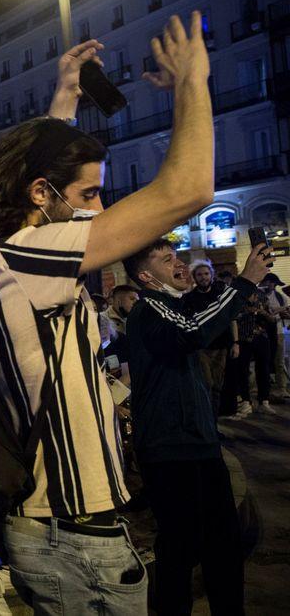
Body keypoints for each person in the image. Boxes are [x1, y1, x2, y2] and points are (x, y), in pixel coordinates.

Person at [0, 17, 216, 613]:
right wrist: (192, 83)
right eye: (91, 196)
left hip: (49, 528)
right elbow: (188, 190)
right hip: (74, 533)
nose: (99, 212)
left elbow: (50, 189)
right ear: (41, 195)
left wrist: (65, 99)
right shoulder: (30, 256)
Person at [121, 239, 270, 614]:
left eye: (179, 257)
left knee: (222, 544)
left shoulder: (174, 305)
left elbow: (205, 323)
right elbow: (192, 331)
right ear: (145, 276)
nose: (181, 264)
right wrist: (245, 282)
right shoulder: (150, 309)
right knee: (179, 548)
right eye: (167, 259)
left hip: (198, 444)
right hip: (171, 449)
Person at [184, 259, 235, 413]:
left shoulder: (221, 294)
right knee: (207, 384)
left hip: (221, 346)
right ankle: (208, 423)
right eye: (199, 274)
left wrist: (236, 342)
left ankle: (214, 423)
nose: (203, 277)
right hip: (202, 348)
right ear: (194, 277)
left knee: (218, 386)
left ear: (212, 275)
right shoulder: (189, 298)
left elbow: (232, 318)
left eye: (206, 273)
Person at [231, 291, 278, 415]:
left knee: (264, 370)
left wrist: (263, 313)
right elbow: (232, 317)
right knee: (243, 371)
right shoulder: (237, 294)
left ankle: (264, 401)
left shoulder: (262, 296)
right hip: (243, 339)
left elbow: (272, 318)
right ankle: (245, 401)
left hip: (261, 337)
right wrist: (247, 311)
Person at [258, 273, 288, 397]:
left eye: (272, 282)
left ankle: (282, 387)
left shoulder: (281, 297)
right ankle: (265, 389)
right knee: (263, 361)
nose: (270, 284)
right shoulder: (259, 295)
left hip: (278, 331)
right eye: (268, 281)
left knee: (279, 361)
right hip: (263, 332)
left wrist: (281, 312)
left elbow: (285, 313)